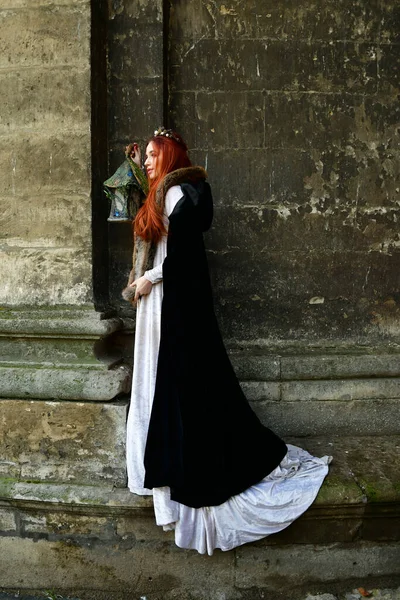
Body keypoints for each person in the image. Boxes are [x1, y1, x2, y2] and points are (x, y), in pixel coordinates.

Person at [123, 128, 331, 555]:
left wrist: (149, 278)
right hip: (158, 301)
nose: (146, 161)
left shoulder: (179, 194)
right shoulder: (164, 194)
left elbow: (184, 260)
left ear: (170, 156)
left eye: (150, 155)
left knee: (172, 384)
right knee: (158, 381)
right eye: (143, 155)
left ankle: (176, 469)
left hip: (167, 302)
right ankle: (155, 465)